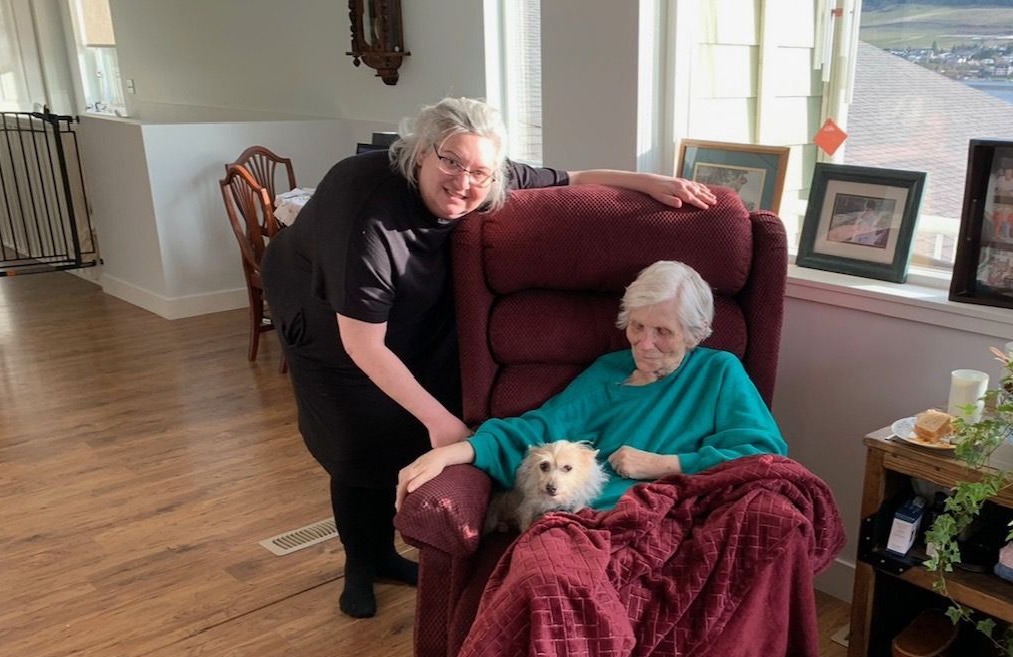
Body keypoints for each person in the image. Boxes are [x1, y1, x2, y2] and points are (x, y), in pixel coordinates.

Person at [396, 260, 786, 657]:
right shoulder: (606, 375)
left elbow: (763, 452)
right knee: (535, 601)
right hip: (576, 530)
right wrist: (453, 452)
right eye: (637, 328)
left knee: (536, 618)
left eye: (663, 332)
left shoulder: (719, 374)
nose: (646, 344)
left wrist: (666, 463)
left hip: (660, 532)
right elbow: (535, 430)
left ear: (697, 333)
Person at [261, 97, 715, 620]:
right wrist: (444, 424)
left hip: (403, 303)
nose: (463, 181)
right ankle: (361, 563)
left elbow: (571, 179)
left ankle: (385, 552)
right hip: (325, 314)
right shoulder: (366, 210)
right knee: (358, 436)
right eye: (450, 162)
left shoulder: (483, 171)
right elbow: (363, 345)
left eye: (479, 171)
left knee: (408, 421)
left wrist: (647, 182)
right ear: (421, 152)